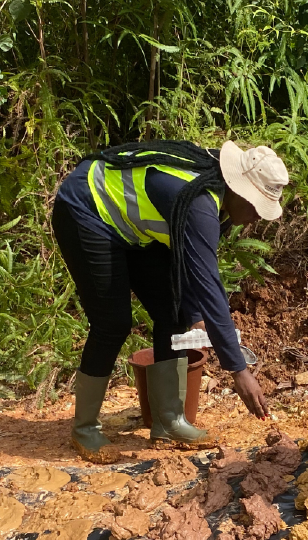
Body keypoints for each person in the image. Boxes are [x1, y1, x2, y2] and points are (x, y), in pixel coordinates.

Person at [52, 140, 289, 464]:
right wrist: (238, 370)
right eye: (256, 210)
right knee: (113, 322)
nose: (254, 221)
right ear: (240, 190)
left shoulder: (215, 196)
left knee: (174, 311)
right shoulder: (199, 202)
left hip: (131, 228)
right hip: (87, 208)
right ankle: (84, 429)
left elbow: (186, 263)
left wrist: (192, 315)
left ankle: (169, 422)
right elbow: (210, 287)